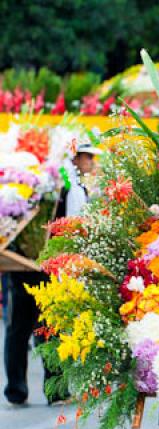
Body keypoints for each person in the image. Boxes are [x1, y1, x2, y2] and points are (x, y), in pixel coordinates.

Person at [3, 144, 98, 406]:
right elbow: (74, 226)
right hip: (48, 267)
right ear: (76, 158)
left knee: (17, 329)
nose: (91, 161)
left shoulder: (35, 189)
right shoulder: (66, 187)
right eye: (88, 156)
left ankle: (16, 391)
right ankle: (55, 392)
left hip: (21, 264)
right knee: (49, 329)